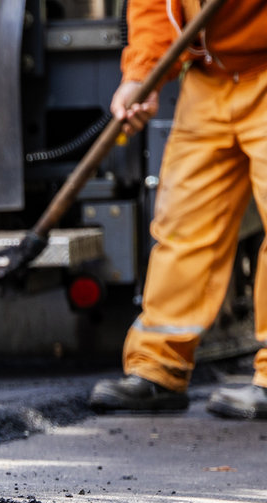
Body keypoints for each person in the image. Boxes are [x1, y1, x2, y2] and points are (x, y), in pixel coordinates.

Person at [89, 0, 267, 420]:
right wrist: (142, 76)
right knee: (183, 227)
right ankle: (157, 371)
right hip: (210, 80)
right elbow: (155, 6)